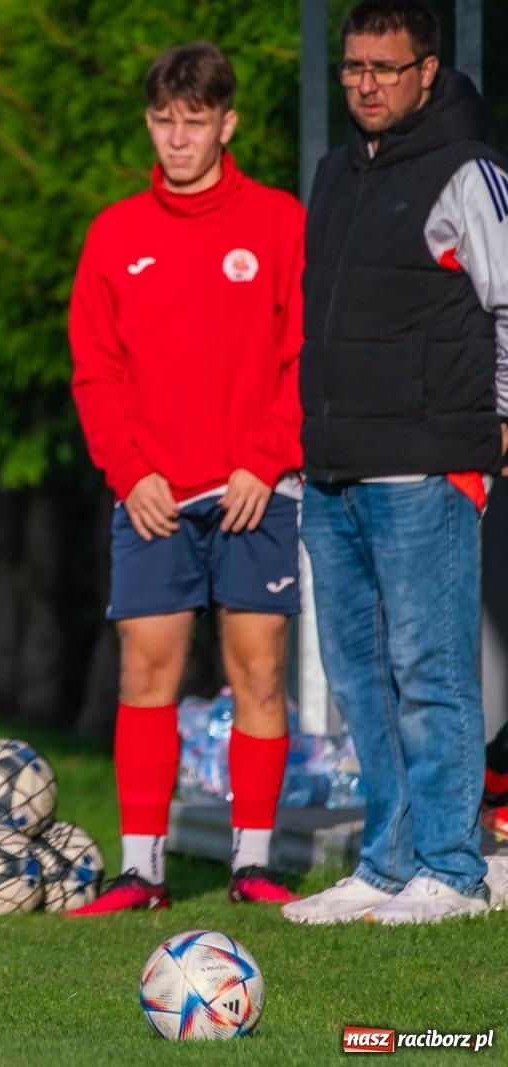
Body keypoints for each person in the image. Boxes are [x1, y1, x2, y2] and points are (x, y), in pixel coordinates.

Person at [66, 41, 306, 915]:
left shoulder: (281, 222)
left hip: (254, 491)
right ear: (149, 122)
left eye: (194, 122)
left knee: (260, 673)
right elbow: (94, 370)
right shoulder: (116, 232)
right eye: (164, 121)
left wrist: (268, 457)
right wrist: (130, 473)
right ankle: (143, 872)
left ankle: (253, 864)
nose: (177, 139)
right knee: (147, 673)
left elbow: (304, 357)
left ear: (227, 123)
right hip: (153, 496)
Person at [284, 0, 508, 926]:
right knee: (358, 678)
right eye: (352, 69)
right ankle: (387, 862)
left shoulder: (470, 171)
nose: (366, 84)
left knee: (432, 669)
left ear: (427, 71)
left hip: (425, 465)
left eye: (385, 68)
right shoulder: (334, 173)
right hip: (333, 470)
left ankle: (453, 869)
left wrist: (499, 424)